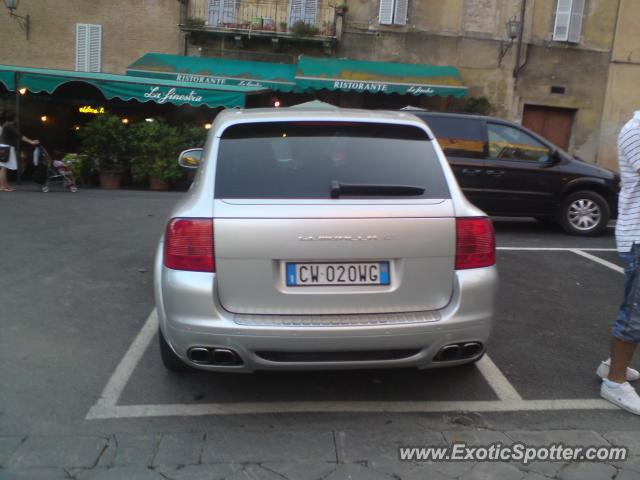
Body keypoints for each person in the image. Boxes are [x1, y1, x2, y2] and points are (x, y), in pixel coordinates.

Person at [598, 110, 640, 414]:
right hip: (639, 236)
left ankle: (613, 366)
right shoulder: (636, 130)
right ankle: (614, 381)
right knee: (635, 313)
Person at [0, 111, 39, 192]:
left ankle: (5, 185)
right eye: (16, 117)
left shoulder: (6, 124)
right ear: (14, 118)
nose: (17, 119)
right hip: (6, 147)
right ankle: (3, 186)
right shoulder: (9, 125)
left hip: (5, 147)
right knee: (4, 168)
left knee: (4, 167)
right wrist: (31, 142)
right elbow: (19, 135)